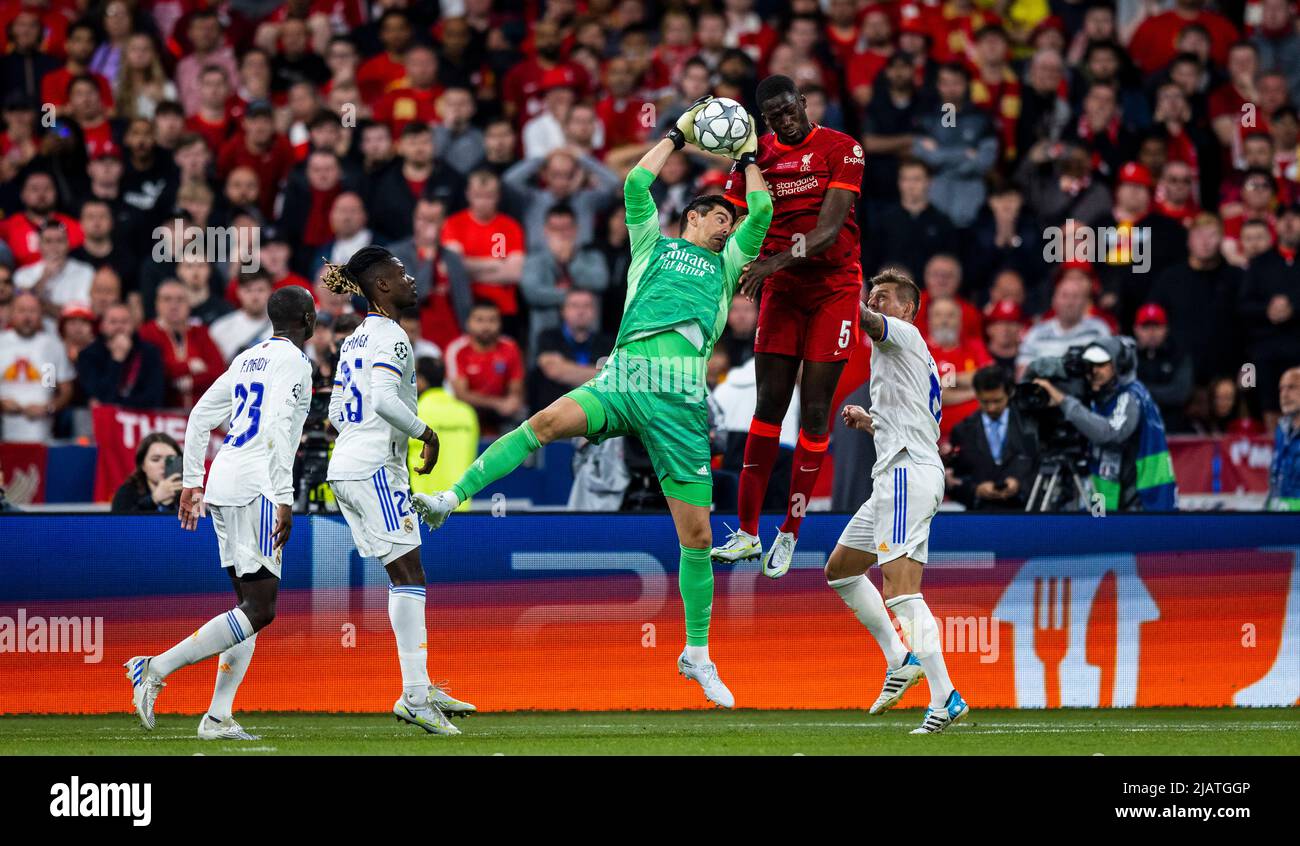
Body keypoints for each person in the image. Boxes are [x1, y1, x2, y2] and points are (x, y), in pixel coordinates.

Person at [413, 104, 772, 710]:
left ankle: (698, 653)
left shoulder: (731, 261)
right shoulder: (650, 243)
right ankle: (450, 499)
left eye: (728, 219)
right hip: (625, 377)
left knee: (696, 534)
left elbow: (760, 209)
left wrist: (749, 156)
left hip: (682, 401)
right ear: (692, 217)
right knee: (545, 423)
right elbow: (636, 182)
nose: (725, 223)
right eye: (716, 214)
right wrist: (676, 135)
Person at [123, 287, 316, 740]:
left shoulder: (246, 358)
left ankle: (217, 716)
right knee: (261, 609)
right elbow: (278, 431)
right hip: (258, 485)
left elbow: (198, 418)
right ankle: (155, 667)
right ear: (307, 319)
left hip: (225, 478)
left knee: (247, 606)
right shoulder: (297, 364)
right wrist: (284, 497)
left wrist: (194, 481)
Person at [712, 76, 866, 578]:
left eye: (790, 109)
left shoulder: (843, 149)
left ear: (804, 102)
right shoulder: (755, 159)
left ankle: (790, 532)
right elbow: (731, 216)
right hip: (780, 292)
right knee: (768, 408)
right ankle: (748, 532)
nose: (785, 120)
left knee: (816, 410)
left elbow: (828, 231)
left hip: (833, 289)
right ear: (764, 120)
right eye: (774, 116)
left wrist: (770, 264)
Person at [322, 244, 474, 735]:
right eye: (401, 272)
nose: (411, 278)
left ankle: (421, 684)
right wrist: (425, 433)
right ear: (381, 286)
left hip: (346, 464)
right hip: (374, 468)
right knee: (409, 575)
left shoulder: (355, 338)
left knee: (406, 572)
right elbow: (385, 399)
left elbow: (335, 411)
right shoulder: (394, 337)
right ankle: (413, 695)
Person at [825, 268, 969, 734]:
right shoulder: (907, 357)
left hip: (907, 474)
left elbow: (867, 321)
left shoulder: (901, 333)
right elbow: (913, 420)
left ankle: (945, 696)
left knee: (903, 592)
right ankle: (899, 658)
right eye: (874, 295)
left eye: (885, 297)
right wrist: (871, 422)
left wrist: (836, 286)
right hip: (895, 473)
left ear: (908, 309)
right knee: (841, 569)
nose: (877, 302)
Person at [1032, 337, 1178, 512]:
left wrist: (1063, 401)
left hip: (1144, 499)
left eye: (1101, 365)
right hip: (1106, 496)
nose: (1093, 371)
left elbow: (1110, 433)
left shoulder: (1131, 396)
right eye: (1089, 366)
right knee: (1099, 532)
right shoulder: (1099, 397)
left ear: (1120, 365)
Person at [947, 366, 1037, 510]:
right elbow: (952, 481)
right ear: (976, 394)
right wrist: (976, 490)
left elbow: (1041, 466)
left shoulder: (1030, 426)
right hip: (978, 518)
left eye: (997, 401)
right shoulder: (962, 431)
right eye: (985, 401)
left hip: (1024, 513)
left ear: (1010, 393)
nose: (991, 408)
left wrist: (1019, 484)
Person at [444, 301, 526, 437]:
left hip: (501, 413)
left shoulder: (510, 347)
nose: (486, 326)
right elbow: (461, 394)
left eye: (492, 320)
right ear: (468, 323)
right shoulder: (457, 350)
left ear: (500, 323)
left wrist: (513, 401)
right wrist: (497, 404)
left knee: (521, 418)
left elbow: (515, 389)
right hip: (468, 409)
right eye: (479, 320)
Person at [0, 292, 73, 442]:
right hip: (4, 432)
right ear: (11, 313)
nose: (27, 317)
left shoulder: (51, 346)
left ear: (41, 315)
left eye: (32, 311)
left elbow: (62, 390)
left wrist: (48, 408)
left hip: (42, 436)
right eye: (22, 311)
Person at [408, 356, 478, 505]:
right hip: (461, 505)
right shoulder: (467, 414)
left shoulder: (413, 414)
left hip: (424, 509)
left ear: (420, 381)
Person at [75, 302, 166, 409]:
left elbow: (154, 397)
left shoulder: (150, 352)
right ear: (102, 326)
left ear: (133, 325)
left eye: (124, 322)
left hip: (140, 419)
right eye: (113, 322)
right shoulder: (88, 355)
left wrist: (118, 405)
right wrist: (116, 360)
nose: (119, 327)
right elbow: (98, 395)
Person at [110, 432, 182, 513]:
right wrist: (154, 499)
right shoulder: (127, 492)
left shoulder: (189, 490)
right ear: (143, 465)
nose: (164, 465)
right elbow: (120, 523)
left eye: (170, 459)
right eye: (156, 459)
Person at [1266, 367, 1300, 511]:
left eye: (1292, 387)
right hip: (1278, 519)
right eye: (1281, 389)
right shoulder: (1281, 430)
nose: (1284, 394)